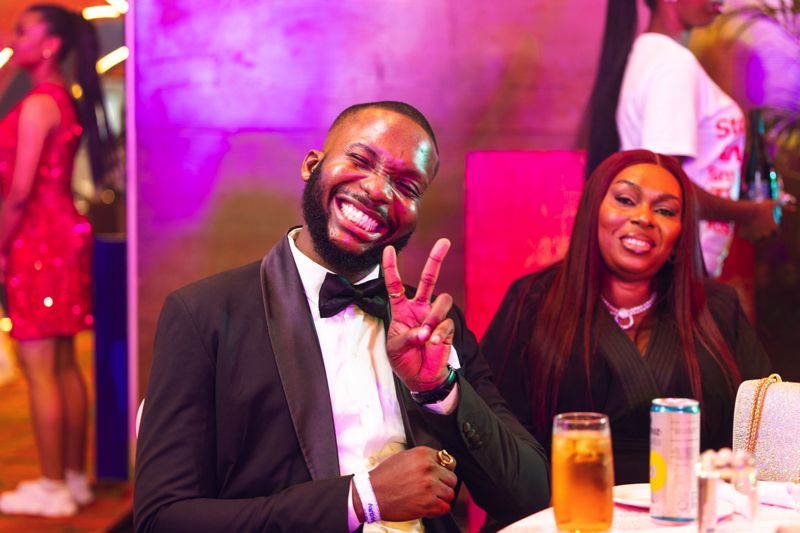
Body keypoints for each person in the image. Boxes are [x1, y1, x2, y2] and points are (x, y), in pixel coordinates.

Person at [133, 101, 551, 533]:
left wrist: (438, 390)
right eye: (361, 160)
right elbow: (162, 519)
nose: (378, 190)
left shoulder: (433, 326)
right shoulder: (204, 316)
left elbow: (532, 498)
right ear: (312, 165)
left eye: (406, 186)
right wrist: (359, 500)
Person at [481, 150, 772, 486]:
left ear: (680, 232)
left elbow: (766, 424)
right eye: (625, 200)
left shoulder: (718, 309)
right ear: (593, 210)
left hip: (695, 508)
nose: (644, 218)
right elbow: (495, 432)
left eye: (665, 211)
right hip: (566, 508)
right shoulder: (532, 301)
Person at [0, 5, 115, 518]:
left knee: (40, 366)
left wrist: (1, 245)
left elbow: (19, 191)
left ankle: (51, 487)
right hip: (63, 234)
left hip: (37, 239)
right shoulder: (60, 98)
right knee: (62, 363)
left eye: (23, 31)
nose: (12, 37)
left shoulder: (37, 104)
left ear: (49, 45)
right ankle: (71, 478)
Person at [584, 0, 787, 277]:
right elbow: (663, 188)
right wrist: (751, 214)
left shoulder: (651, 55)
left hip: (674, 262)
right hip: (678, 264)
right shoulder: (673, 66)